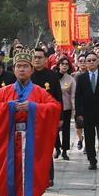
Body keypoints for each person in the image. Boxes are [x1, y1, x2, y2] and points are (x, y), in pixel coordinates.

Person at [0, 48, 60, 196]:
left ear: (32, 69)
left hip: (31, 143)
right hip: (10, 143)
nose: (22, 69)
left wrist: (33, 107)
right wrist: (10, 107)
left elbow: (54, 107)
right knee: (12, 178)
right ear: (14, 69)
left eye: (26, 66)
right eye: (18, 66)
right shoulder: (5, 91)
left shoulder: (39, 92)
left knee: (29, 180)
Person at [31, 47, 63, 185]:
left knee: (46, 148)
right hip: (30, 117)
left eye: (40, 57)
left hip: (47, 117)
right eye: (35, 57)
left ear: (45, 59)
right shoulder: (28, 75)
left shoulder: (52, 75)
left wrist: (60, 117)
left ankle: (48, 177)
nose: (37, 60)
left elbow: (58, 97)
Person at [53, 56, 76, 160]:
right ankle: (57, 148)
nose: (64, 66)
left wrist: (74, 110)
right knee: (54, 130)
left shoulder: (71, 80)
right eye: (62, 64)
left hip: (66, 108)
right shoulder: (53, 77)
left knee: (66, 130)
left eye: (67, 64)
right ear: (58, 65)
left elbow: (73, 96)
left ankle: (65, 151)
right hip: (55, 107)